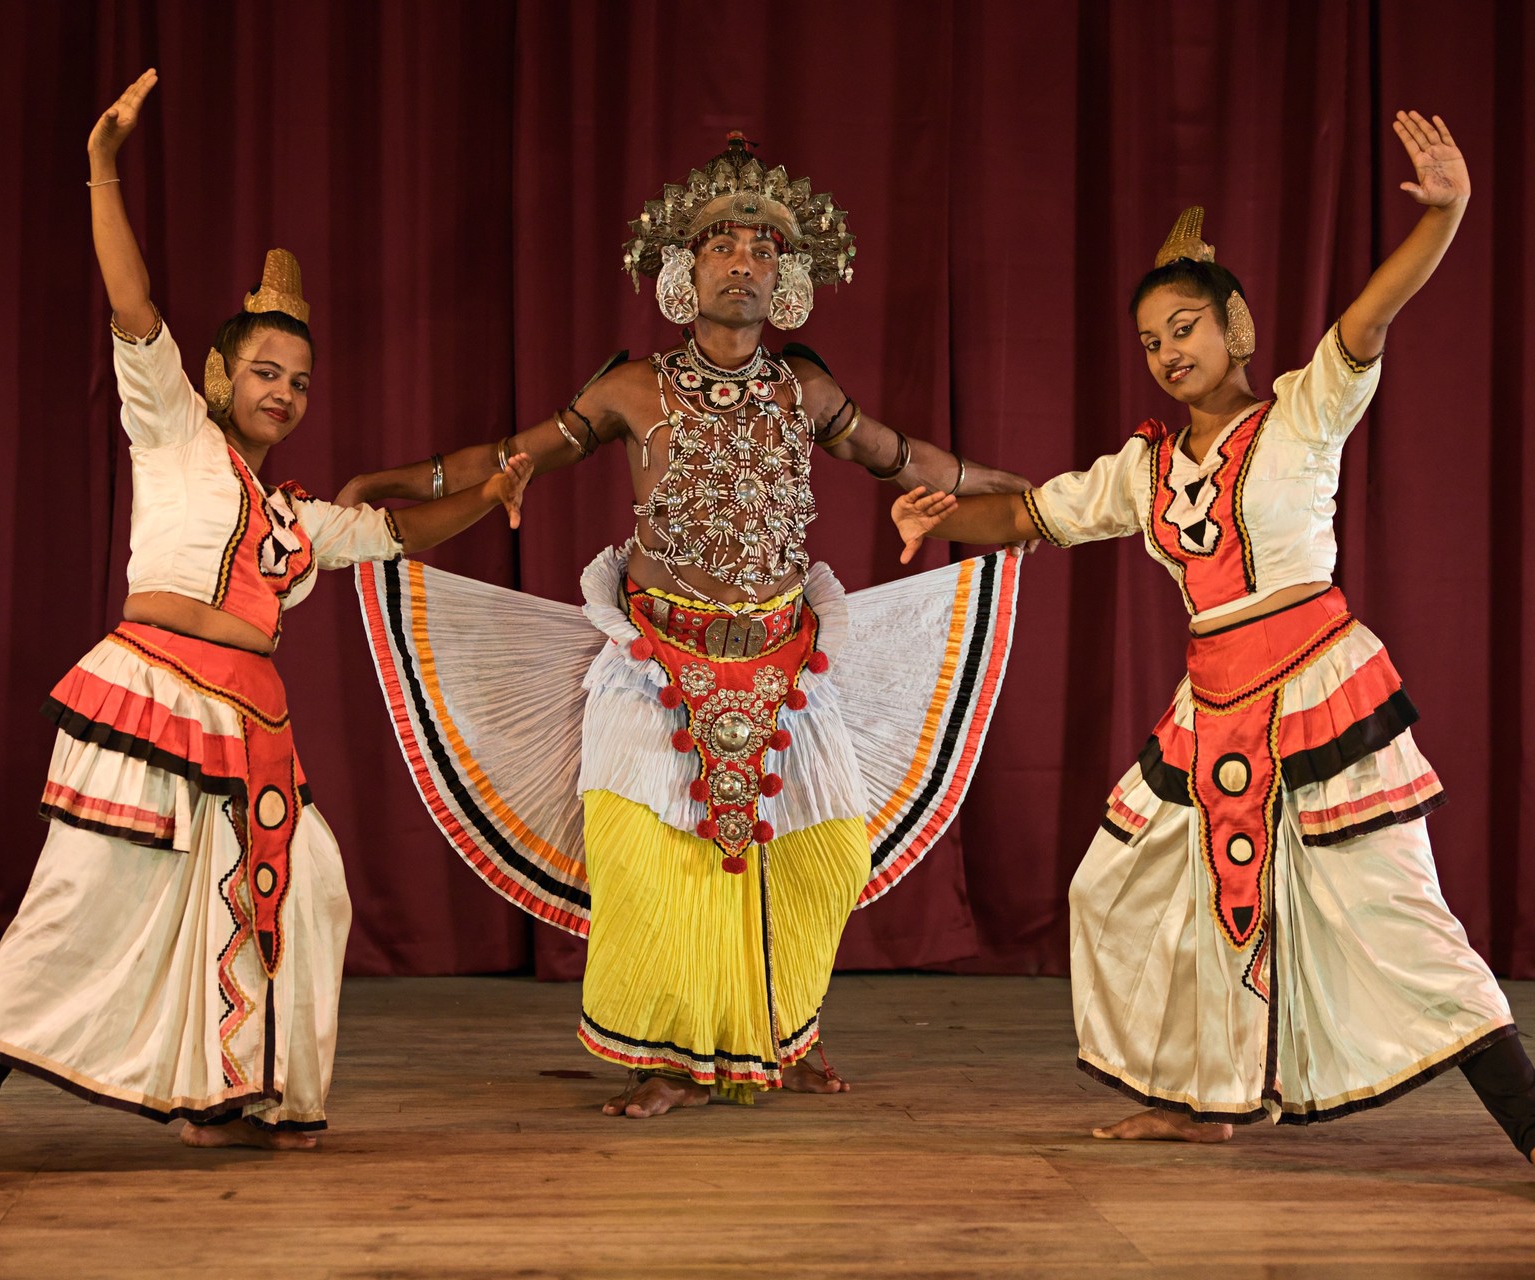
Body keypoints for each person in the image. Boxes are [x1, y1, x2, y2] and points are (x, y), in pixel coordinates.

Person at [891, 112, 1535, 1204]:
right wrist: (942, 518)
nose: (1169, 351)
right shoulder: (1143, 466)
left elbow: (1372, 313)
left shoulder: (1306, 411)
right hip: (1212, 706)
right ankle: (1200, 1098)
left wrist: (1447, 211)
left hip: (1317, 690)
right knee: (1119, 889)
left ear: (1238, 329)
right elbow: (1031, 512)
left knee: (1401, 915)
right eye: (1150, 339)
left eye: (1186, 327)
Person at [0, 69, 533, 1201]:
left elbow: (398, 530)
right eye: (264, 371)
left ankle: (247, 1102)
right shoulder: (172, 434)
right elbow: (132, 299)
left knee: (316, 882)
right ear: (216, 374)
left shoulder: (298, 519)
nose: (283, 392)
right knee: (72, 901)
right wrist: (103, 166)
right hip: (149, 704)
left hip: (248, 734)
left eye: (297, 380)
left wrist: (494, 492)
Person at [341, 133, 1028, 1117]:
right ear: (683, 267)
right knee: (647, 858)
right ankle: (661, 1058)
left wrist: (1032, 503)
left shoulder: (806, 388)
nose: (742, 260)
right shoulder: (632, 388)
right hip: (654, 659)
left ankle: (779, 1033)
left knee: (825, 851)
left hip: (787, 658)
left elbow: (907, 458)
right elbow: (507, 455)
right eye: (721, 244)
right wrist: (384, 493)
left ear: (786, 277)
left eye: (761, 247)